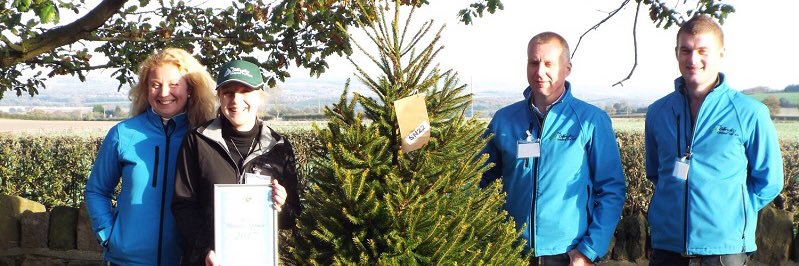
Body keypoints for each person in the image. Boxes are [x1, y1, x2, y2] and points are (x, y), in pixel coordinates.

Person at [644, 15, 783, 266]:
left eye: (702, 51)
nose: (693, 59)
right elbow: (656, 172)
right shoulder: (657, 112)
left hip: (724, 251)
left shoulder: (750, 113)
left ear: (721, 54)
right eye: (685, 50)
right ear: (676, 53)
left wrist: (731, 212)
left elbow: (769, 181)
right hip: (667, 248)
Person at [480, 32, 626, 265]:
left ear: (567, 68)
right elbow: (480, 177)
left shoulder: (590, 121)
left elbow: (611, 189)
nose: (540, 72)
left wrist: (589, 250)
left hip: (568, 254)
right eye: (534, 62)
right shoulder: (504, 120)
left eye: (549, 64)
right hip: (510, 251)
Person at [84, 48, 218, 265]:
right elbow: (97, 190)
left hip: (186, 261)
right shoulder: (123, 134)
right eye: (155, 84)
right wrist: (108, 236)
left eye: (174, 84)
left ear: (191, 88)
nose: (164, 93)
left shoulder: (204, 138)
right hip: (125, 261)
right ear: (146, 89)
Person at [172, 60, 301, 266]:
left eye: (245, 91)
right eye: (228, 92)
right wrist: (206, 250)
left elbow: (291, 217)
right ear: (220, 97)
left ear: (259, 95)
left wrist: (282, 204)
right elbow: (183, 205)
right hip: (208, 261)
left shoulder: (279, 147)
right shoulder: (197, 140)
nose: (235, 100)